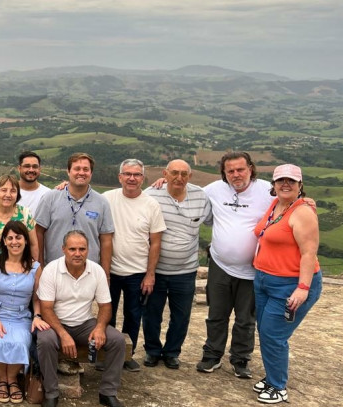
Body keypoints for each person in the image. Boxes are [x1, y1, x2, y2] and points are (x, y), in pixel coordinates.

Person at [197, 151, 273, 378]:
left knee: (245, 318)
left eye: (240, 169)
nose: (235, 175)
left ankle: (240, 359)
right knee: (217, 314)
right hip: (220, 264)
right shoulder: (213, 190)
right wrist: (161, 183)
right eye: (230, 171)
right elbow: (185, 194)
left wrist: (306, 200)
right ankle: (212, 355)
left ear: (250, 168)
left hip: (253, 269)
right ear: (224, 173)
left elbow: (292, 203)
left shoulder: (267, 191)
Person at [251, 164, 322, 404]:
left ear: (300, 185)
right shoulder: (277, 205)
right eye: (280, 180)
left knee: (273, 334)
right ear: (273, 184)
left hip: (289, 284)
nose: (285, 184)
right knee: (266, 330)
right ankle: (272, 376)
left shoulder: (302, 212)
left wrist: (302, 288)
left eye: (291, 181)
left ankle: (278, 386)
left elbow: (308, 253)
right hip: (264, 280)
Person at [36, 230, 127, 407]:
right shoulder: (51, 270)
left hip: (85, 323)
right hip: (56, 323)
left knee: (117, 340)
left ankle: (108, 393)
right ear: (63, 249)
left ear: (88, 250)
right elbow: (46, 308)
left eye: (82, 249)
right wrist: (63, 334)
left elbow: (105, 306)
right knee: (45, 341)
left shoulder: (97, 271)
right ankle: (51, 393)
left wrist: (100, 328)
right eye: (72, 249)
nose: (77, 253)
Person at [142, 160, 211, 369]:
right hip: (155, 270)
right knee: (152, 314)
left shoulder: (201, 196)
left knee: (181, 316)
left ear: (189, 176)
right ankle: (152, 351)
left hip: (186, 270)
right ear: (165, 173)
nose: (178, 178)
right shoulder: (151, 195)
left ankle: (172, 352)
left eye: (183, 174)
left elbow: (218, 219)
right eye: (174, 173)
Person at [104, 159, 166, 372]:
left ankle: (126, 356)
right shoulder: (106, 199)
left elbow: (156, 242)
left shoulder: (151, 205)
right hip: (109, 271)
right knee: (106, 315)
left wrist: (150, 274)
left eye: (137, 175)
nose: (132, 178)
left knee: (133, 316)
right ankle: (106, 355)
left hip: (137, 273)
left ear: (143, 178)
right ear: (119, 177)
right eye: (127, 174)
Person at [0, 221, 45, 404]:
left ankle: (13, 379)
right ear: (4, 241)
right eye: (10, 238)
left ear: (25, 241)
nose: (15, 242)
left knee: (19, 342)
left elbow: (37, 299)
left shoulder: (35, 267)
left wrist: (37, 316)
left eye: (18, 237)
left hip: (21, 316)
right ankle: (1, 379)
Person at [34, 152, 114, 273]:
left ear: (91, 173)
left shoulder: (102, 203)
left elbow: (106, 240)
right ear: (68, 171)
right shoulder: (50, 198)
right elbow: (38, 233)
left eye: (86, 169)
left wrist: (105, 274)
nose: (81, 173)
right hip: (53, 271)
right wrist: (39, 267)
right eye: (77, 168)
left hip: (89, 272)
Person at [15, 150, 51, 216]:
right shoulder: (9, 193)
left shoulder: (48, 194)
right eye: (27, 166)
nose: (31, 170)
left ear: (39, 169)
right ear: (19, 168)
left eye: (35, 166)